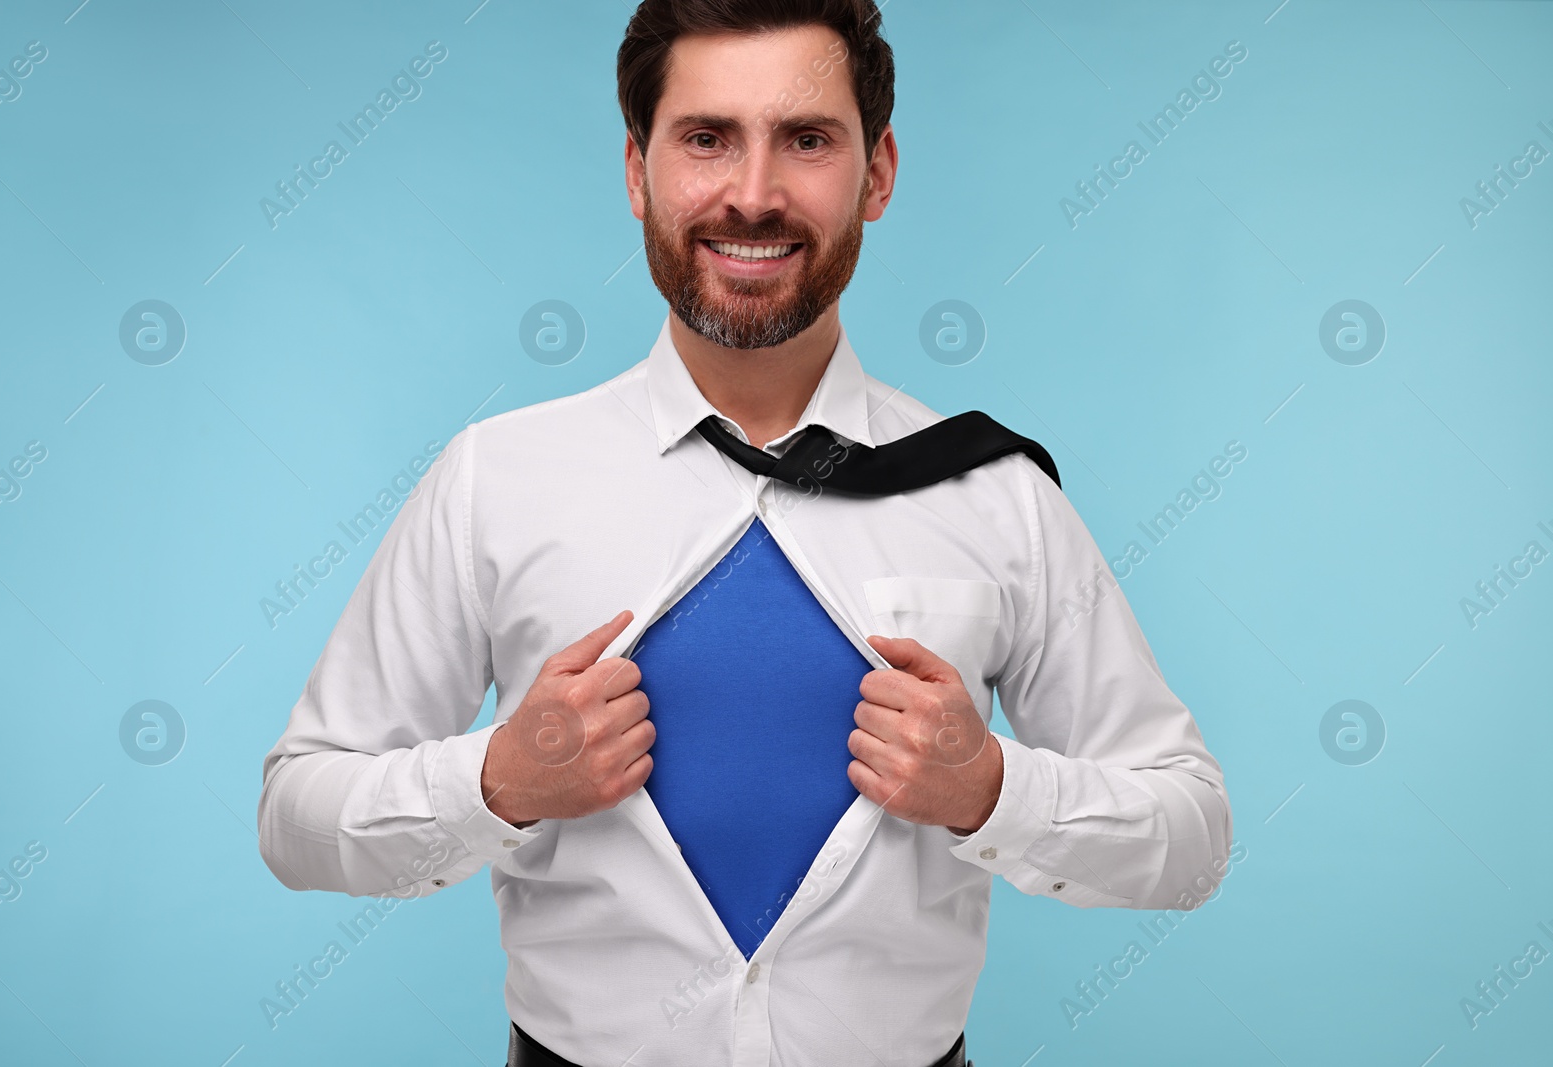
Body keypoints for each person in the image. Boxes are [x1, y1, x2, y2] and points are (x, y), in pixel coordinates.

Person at [256, 2, 1232, 1065]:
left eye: (806, 140)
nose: (754, 195)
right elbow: (297, 817)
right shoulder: (495, 478)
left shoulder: (994, 495)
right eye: (706, 137)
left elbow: (1189, 841)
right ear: (638, 172)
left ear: (878, 172)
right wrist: (494, 783)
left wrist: (994, 789)